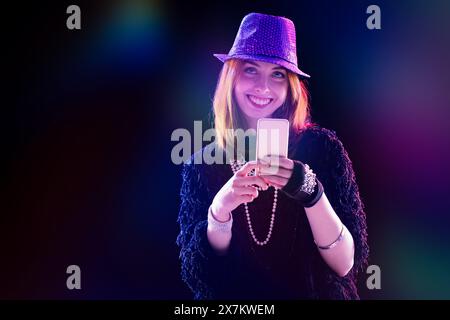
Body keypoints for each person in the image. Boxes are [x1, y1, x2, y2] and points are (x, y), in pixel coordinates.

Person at [176, 12, 369, 300]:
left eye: (277, 74)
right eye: (250, 70)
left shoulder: (322, 148)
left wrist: (311, 192)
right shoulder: (202, 163)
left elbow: (345, 265)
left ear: (290, 86)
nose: (263, 87)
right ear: (231, 78)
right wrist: (220, 210)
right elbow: (201, 278)